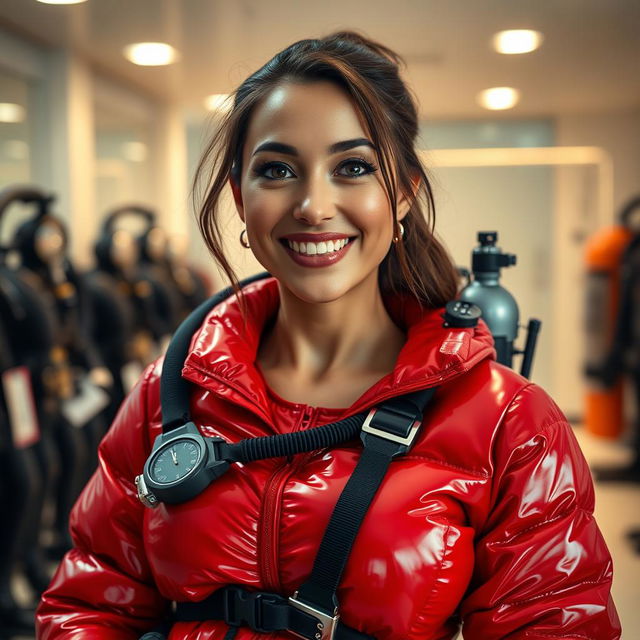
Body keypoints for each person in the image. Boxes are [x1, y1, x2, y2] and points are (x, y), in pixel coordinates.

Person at [36, 32, 621, 640]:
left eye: (353, 167)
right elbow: (90, 602)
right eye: (278, 169)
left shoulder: (510, 422)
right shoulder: (170, 393)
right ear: (241, 197)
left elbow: (554, 624)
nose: (314, 205)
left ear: (402, 195)